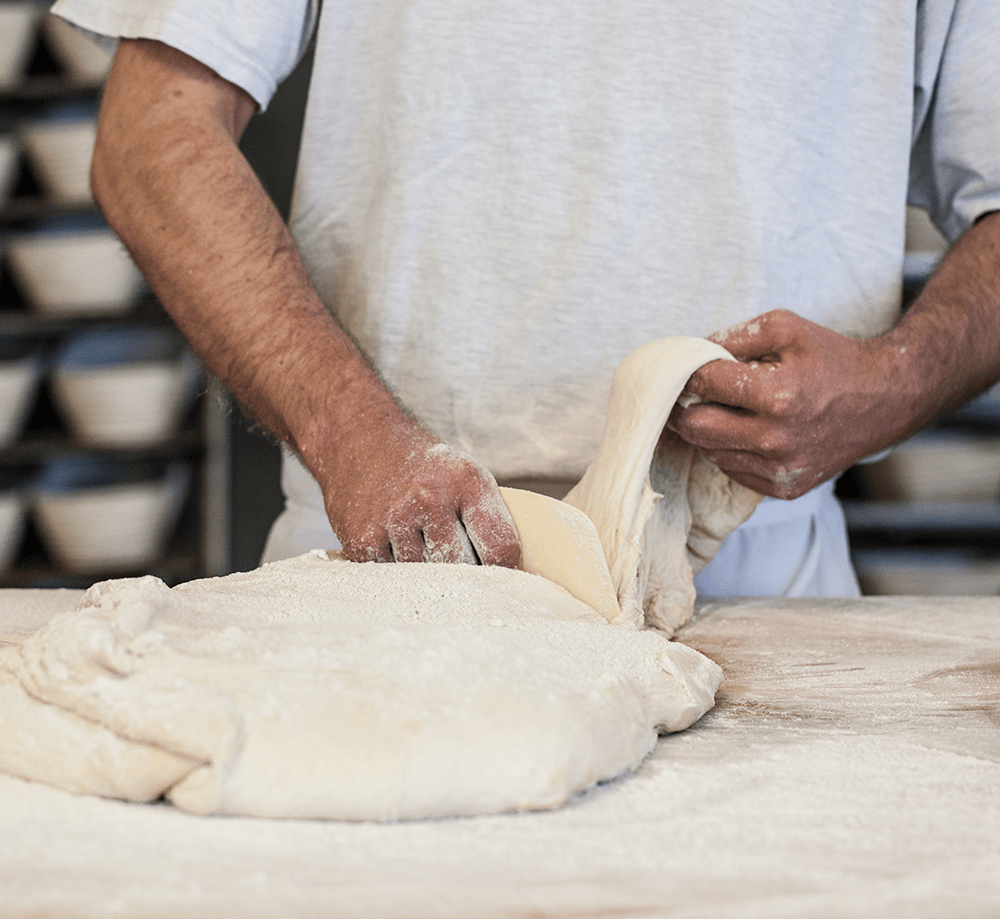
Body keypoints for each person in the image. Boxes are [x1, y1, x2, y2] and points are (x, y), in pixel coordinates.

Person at [52, 0, 1000, 597]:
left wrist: (892, 382)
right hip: (383, 562)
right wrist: (356, 438)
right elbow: (153, 136)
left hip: (768, 583)